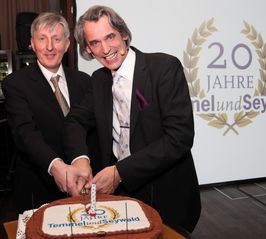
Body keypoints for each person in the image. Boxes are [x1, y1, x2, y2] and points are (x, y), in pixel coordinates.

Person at [63, 5, 201, 232]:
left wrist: (120, 172)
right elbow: (74, 120)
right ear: (88, 49)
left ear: (124, 34)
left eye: (110, 37)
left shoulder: (164, 68)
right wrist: (80, 158)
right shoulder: (99, 80)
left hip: (167, 196)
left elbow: (180, 137)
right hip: (121, 198)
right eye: (95, 42)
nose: (105, 49)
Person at [2, 12, 94, 213]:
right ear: (32, 44)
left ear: (68, 45)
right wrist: (56, 166)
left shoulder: (85, 81)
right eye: (42, 39)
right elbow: (25, 133)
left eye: (57, 39)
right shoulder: (15, 84)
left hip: (84, 186)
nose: (50, 47)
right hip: (39, 187)